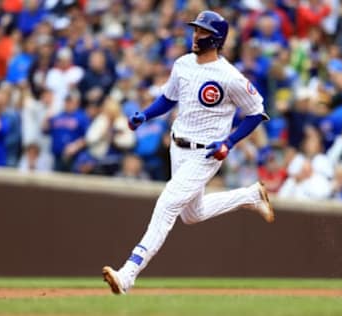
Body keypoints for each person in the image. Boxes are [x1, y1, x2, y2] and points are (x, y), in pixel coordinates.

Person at [102, 11, 274, 295]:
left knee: (168, 204)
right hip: (178, 147)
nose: (196, 35)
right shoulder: (183, 63)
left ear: (216, 39)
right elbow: (168, 99)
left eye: (203, 32)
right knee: (192, 214)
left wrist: (228, 143)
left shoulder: (229, 76)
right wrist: (144, 115)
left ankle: (128, 274)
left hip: (205, 153)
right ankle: (250, 195)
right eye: (195, 30)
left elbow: (257, 112)